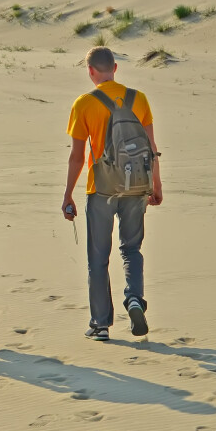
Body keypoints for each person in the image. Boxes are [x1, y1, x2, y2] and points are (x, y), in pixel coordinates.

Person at [61, 47, 162, 342]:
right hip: (136, 187)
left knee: (98, 257)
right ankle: (134, 300)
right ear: (115, 68)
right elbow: (152, 148)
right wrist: (157, 186)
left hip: (101, 188)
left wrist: (67, 194)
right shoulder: (138, 99)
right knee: (131, 249)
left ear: (90, 71)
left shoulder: (84, 104)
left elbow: (77, 157)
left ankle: (100, 324)